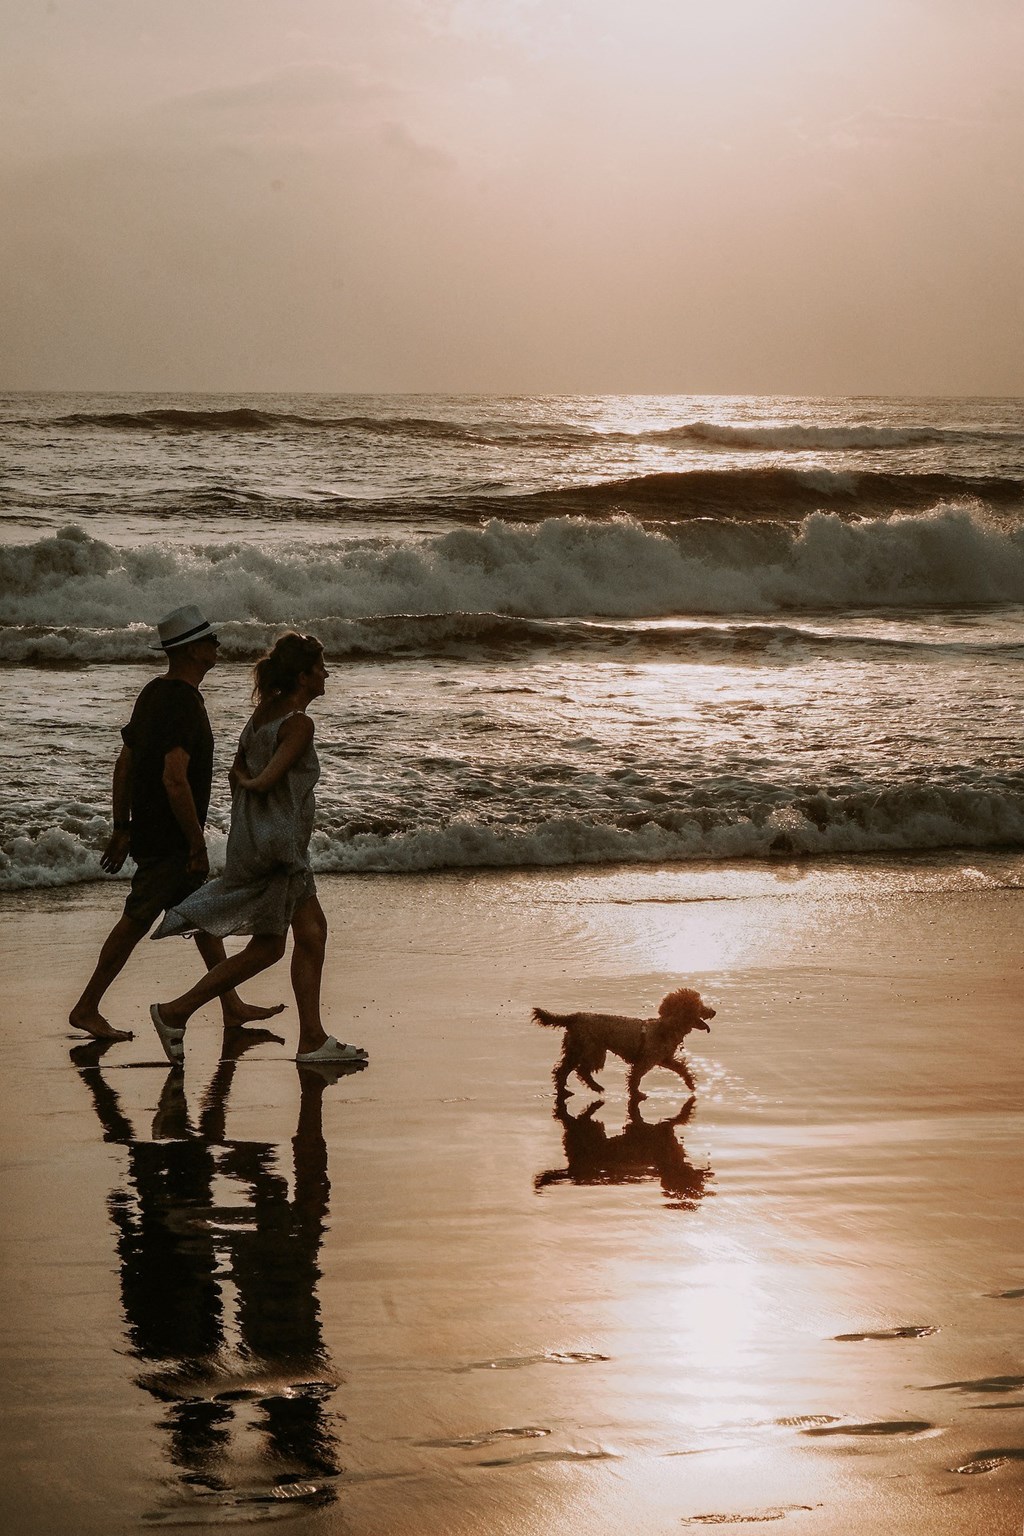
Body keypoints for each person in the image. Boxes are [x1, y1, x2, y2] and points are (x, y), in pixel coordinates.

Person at [149, 632, 367, 1069]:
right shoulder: (299, 724)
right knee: (269, 948)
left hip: (257, 840)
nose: (327, 674)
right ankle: (175, 1011)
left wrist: (248, 789)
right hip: (280, 847)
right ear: (304, 676)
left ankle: (312, 1037)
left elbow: (236, 771)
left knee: (312, 932)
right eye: (321, 667)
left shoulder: (261, 716)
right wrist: (256, 786)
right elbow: (264, 778)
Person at [70, 605, 283, 1042]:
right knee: (135, 919)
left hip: (152, 831)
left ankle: (232, 1004)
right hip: (170, 840)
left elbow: (124, 763)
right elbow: (173, 777)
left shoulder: (154, 693)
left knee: (202, 915)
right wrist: (195, 843)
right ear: (191, 651)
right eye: (210, 641)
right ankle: (86, 1007)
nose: (217, 647)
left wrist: (122, 827)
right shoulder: (181, 702)